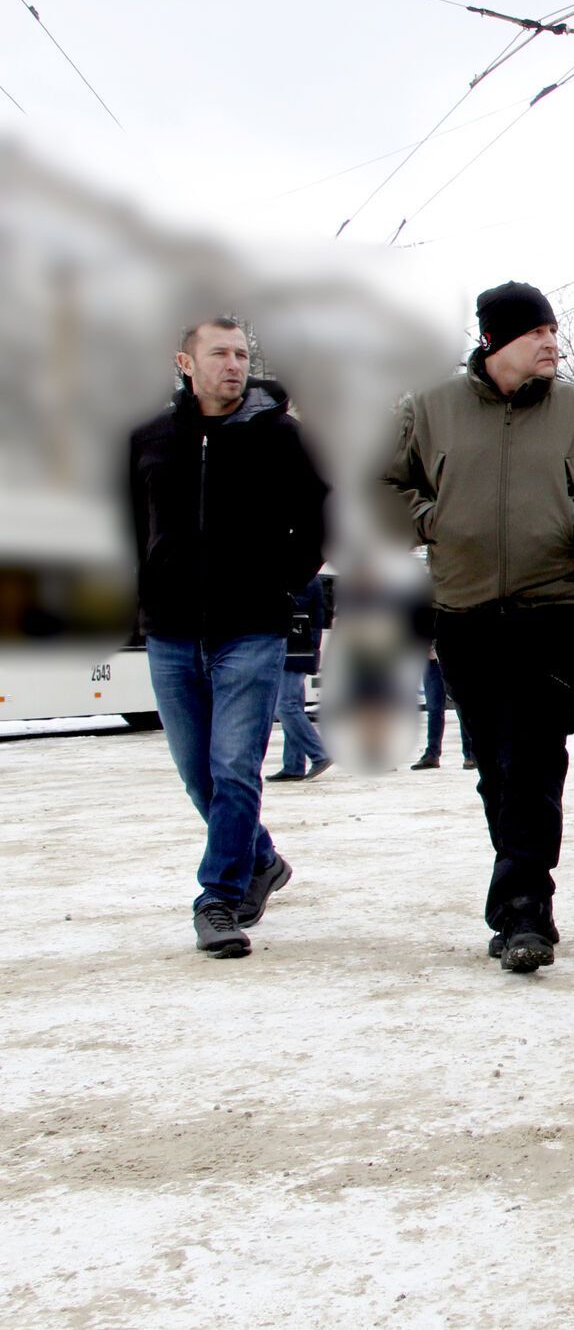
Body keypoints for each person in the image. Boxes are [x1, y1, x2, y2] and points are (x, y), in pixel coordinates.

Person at [382, 281, 574, 973]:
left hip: (553, 606)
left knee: (535, 757)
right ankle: (518, 899)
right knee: (496, 764)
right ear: (494, 342)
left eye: (554, 332)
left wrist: (573, 522)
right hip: (465, 609)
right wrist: (429, 520)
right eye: (536, 333)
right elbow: (378, 485)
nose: (551, 344)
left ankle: (526, 908)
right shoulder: (429, 409)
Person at [129, 317, 327, 958]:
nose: (234, 364)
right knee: (198, 777)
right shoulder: (150, 438)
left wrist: (283, 586)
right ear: (184, 362)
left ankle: (218, 897)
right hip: (171, 631)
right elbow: (127, 522)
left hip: (251, 630)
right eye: (219, 353)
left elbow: (319, 520)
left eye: (242, 353)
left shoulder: (282, 438)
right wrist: (143, 593)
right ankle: (262, 858)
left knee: (234, 769)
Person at [270, 575, 333, 782]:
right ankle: (293, 764)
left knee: (285, 706)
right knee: (293, 704)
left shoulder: (302, 578)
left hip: (296, 647)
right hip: (299, 647)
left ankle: (319, 753)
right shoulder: (307, 578)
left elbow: (289, 607)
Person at [412, 645, 476, 770]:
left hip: (454, 659)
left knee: (462, 706)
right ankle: (432, 754)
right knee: (434, 708)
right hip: (432, 661)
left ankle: (469, 754)